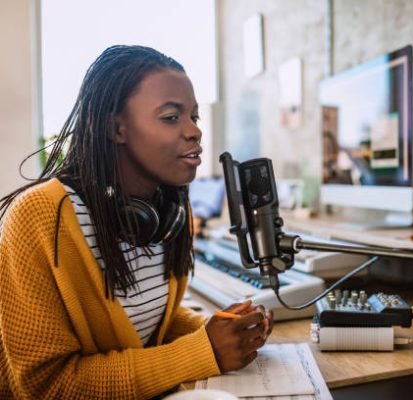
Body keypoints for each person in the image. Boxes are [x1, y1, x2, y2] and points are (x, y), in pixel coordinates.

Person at [0, 45, 274, 399]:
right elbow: (46, 385)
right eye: (171, 117)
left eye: (194, 116)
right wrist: (203, 351)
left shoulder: (167, 213)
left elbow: (149, 323)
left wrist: (221, 330)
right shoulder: (40, 216)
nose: (194, 131)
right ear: (117, 128)